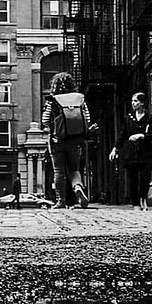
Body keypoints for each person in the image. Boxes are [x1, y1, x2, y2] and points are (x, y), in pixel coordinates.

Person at [41, 72, 91, 210]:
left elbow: (45, 121)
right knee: (74, 169)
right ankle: (77, 187)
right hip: (75, 140)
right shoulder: (80, 99)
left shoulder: (52, 100)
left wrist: (55, 125)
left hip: (57, 140)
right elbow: (87, 119)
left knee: (59, 171)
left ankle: (60, 201)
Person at [109, 91, 152, 210]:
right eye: (132, 101)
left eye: (135, 101)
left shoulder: (151, 117)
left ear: (142, 103)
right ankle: (135, 203)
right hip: (131, 152)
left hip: (145, 152)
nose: (133, 103)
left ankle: (143, 199)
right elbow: (122, 134)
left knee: (145, 178)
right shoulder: (128, 118)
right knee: (133, 179)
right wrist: (115, 149)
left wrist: (141, 136)